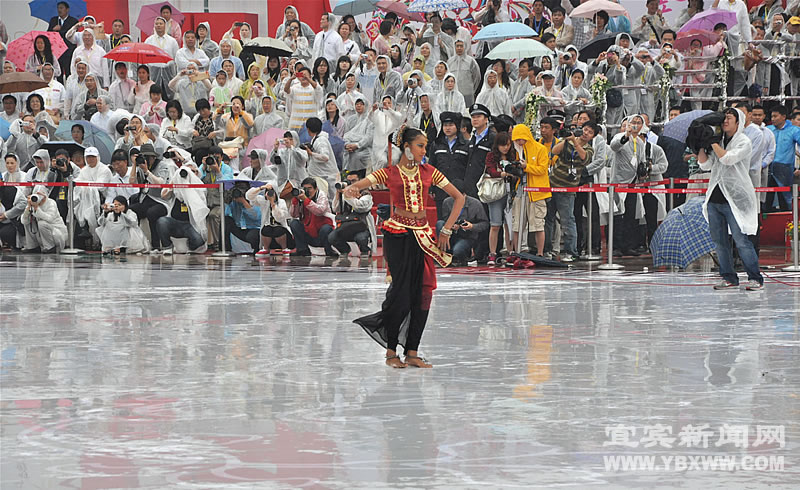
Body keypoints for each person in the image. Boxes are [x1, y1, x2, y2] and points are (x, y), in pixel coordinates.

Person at [347, 126, 465, 368]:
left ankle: (412, 350)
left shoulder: (430, 171)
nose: (424, 150)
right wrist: (352, 188)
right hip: (398, 234)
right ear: (407, 147)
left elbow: (459, 197)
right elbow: (363, 183)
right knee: (400, 294)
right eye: (420, 146)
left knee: (423, 294)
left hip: (423, 237)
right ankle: (391, 350)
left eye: (425, 146)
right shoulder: (390, 173)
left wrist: (446, 229)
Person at [697, 108, 762, 290]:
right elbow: (705, 164)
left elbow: (727, 159)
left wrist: (714, 143)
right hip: (715, 198)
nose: (725, 121)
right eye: (723, 118)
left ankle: (755, 278)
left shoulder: (744, 141)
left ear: (738, 122)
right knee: (719, 242)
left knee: (741, 241)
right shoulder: (719, 140)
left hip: (736, 200)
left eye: (729, 118)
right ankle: (729, 277)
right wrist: (700, 145)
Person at [546, 122, 595, 262]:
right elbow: (554, 151)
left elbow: (584, 158)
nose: (586, 133)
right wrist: (567, 140)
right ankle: (547, 250)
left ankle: (571, 251)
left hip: (568, 189)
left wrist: (575, 142)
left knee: (567, 221)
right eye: (585, 129)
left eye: (590, 132)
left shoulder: (589, 149)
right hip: (552, 184)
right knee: (548, 219)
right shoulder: (567, 142)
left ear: (593, 136)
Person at [128, 143, 177, 253]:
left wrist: (147, 171)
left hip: (161, 200)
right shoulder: (140, 166)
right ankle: (135, 243)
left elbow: (160, 183)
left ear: (154, 157)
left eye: (147, 157)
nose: (145, 160)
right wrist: (135, 165)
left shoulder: (162, 165)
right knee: (131, 210)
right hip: (146, 198)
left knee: (152, 213)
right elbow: (131, 182)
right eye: (143, 157)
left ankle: (156, 245)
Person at [157, 164, 209, 254]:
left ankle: (191, 247)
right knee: (162, 221)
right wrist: (174, 182)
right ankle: (167, 246)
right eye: (187, 171)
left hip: (190, 225)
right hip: (175, 222)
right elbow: (163, 195)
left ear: (197, 173)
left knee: (198, 240)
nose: (188, 173)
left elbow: (202, 207)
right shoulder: (177, 187)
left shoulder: (199, 187)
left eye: (192, 171)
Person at [482, 131, 514, 264]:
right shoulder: (491, 156)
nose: (505, 148)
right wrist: (504, 174)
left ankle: (511, 251)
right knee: (495, 224)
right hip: (495, 193)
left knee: (510, 225)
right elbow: (491, 171)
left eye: (507, 145)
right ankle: (492, 253)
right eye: (502, 145)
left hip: (510, 192)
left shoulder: (513, 156)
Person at [329, 171, 375, 257]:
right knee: (332, 237)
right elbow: (335, 208)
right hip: (345, 226)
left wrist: (348, 196)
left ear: (360, 181)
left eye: (353, 181)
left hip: (361, 226)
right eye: (349, 181)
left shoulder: (365, 194)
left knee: (361, 238)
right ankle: (344, 250)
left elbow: (360, 207)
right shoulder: (344, 193)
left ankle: (365, 251)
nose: (351, 183)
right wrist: (338, 193)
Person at [289, 177, 336, 256]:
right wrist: (295, 202)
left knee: (326, 228)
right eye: (305, 188)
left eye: (310, 188)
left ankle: (329, 250)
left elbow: (320, 211)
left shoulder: (321, 196)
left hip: (322, 233)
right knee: (294, 223)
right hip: (309, 232)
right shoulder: (301, 197)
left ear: (316, 188)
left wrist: (306, 200)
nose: (307, 191)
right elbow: (294, 215)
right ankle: (302, 250)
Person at [766, 105, 800, 211]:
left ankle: (788, 224)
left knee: (785, 199)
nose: (773, 119)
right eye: (772, 116)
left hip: (784, 169)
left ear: (783, 117)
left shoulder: (794, 130)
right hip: (767, 167)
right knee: (766, 199)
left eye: (775, 116)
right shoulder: (768, 129)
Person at [247, 181, 293, 255]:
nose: (269, 194)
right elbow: (249, 196)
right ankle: (265, 248)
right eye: (268, 192)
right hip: (268, 231)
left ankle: (284, 248)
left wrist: (273, 204)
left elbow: (279, 217)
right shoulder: (263, 201)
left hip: (281, 231)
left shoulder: (281, 202)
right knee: (266, 229)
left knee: (278, 230)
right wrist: (262, 187)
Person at [21, 186, 68, 253]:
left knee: (42, 223)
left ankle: (50, 247)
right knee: (28, 221)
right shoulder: (33, 202)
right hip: (42, 234)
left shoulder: (51, 203)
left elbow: (49, 219)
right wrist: (28, 208)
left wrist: (37, 208)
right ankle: (32, 246)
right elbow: (23, 221)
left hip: (56, 232)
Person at [465, 103, 495, 199]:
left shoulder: (492, 138)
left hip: (485, 185)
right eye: (473, 117)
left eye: (479, 116)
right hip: (471, 185)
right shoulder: (472, 138)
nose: (475, 119)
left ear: (486, 119)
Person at [224, 182, 262, 253]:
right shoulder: (234, 202)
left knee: (252, 236)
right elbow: (226, 214)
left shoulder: (255, 199)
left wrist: (244, 202)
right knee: (226, 220)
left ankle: (256, 249)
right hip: (239, 228)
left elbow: (256, 217)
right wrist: (228, 201)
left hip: (254, 228)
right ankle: (226, 248)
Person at [341, 97, 373, 176]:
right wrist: (347, 145)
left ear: (365, 106)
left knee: (357, 155)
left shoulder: (370, 120)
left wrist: (357, 145)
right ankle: (347, 176)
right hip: (351, 147)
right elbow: (346, 134)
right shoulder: (351, 119)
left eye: (361, 104)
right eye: (357, 104)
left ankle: (359, 176)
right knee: (344, 153)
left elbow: (369, 138)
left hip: (366, 148)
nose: (359, 106)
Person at [48, 1, 80, 78]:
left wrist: (59, 30)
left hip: (69, 50)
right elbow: (48, 33)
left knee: (69, 72)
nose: (59, 10)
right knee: (58, 73)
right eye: (58, 8)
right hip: (57, 51)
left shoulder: (73, 21)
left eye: (62, 8)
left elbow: (70, 34)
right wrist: (53, 29)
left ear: (67, 9)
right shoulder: (54, 20)